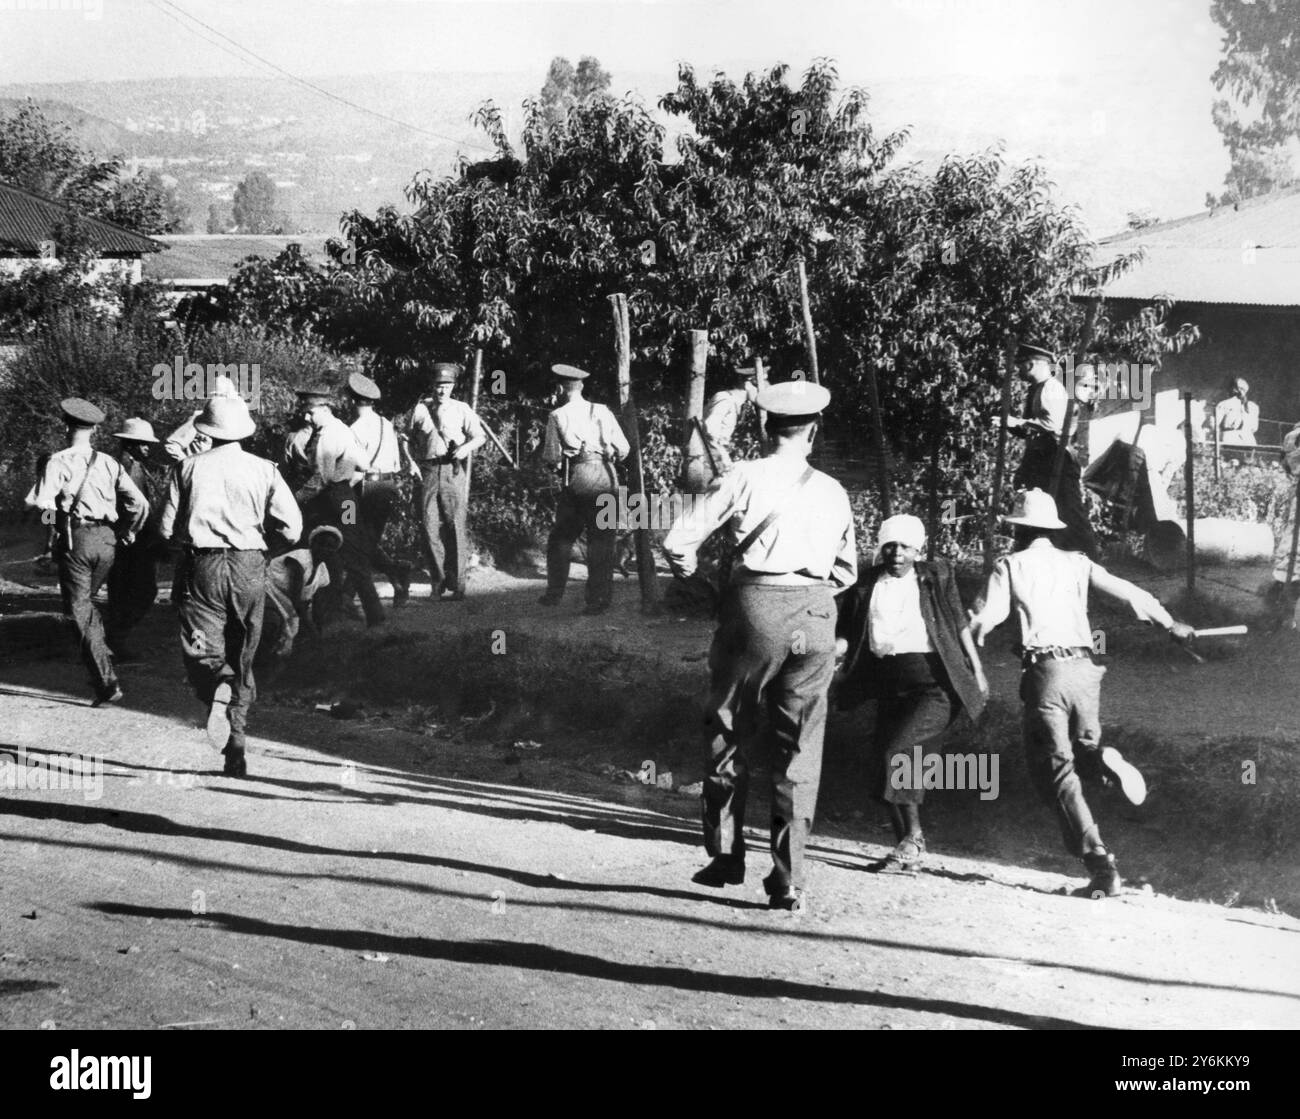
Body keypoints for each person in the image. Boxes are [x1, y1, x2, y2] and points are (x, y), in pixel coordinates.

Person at [663, 380, 857, 913]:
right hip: (817, 614)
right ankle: (788, 879)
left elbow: (677, 541)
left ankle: (726, 857)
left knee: (728, 729)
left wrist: (704, 586)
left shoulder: (743, 476)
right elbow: (846, 572)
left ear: (765, 428)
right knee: (801, 750)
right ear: (813, 434)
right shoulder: (834, 490)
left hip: (753, 610)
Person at [968, 488, 1194, 898]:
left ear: (1017, 529)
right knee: (1081, 754)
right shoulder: (1077, 562)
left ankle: (1100, 865)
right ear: (1050, 529)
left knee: (1054, 775)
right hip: (1086, 671)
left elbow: (994, 613)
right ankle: (1102, 761)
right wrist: (1169, 621)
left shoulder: (1010, 565)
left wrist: (978, 625)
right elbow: (1128, 591)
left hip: (1047, 673)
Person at [835, 513, 988, 872]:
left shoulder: (935, 577)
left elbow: (959, 624)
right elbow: (847, 634)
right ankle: (909, 845)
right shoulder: (865, 584)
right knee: (887, 759)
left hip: (935, 687)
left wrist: (978, 670)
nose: (897, 553)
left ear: (917, 549)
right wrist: (827, 651)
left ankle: (913, 838)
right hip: (889, 686)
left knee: (899, 753)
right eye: (890, 545)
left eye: (905, 546)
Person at [159, 394, 302, 778]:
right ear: (244, 432)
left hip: (202, 564)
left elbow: (165, 527)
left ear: (206, 430)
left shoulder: (187, 468)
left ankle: (214, 684)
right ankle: (235, 742)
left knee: (200, 644)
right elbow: (293, 526)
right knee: (243, 652)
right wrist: (264, 551)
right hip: (250, 564)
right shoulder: (265, 469)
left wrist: (184, 547)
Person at [24, 399, 150, 706]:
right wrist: (129, 531)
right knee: (86, 605)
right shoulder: (109, 462)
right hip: (107, 542)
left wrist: (55, 527)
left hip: (76, 539)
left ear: (66, 426)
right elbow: (140, 504)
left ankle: (106, 682)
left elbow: (39, 504)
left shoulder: (58, 461)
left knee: (78, 610)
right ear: (94, 429)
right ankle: (101, 653)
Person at [539, 363, 631, 615]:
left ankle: (554, 593)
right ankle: (598, 601)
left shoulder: (557, 415)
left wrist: (558, 466)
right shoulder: (602, 410)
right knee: (603, 540)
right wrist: (610, 452)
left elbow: (551, 455)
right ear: (581, 387)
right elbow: (624, 448)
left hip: (578, 477)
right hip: (606, 477)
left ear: (560, 387)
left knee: (562, 537)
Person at [294, 385, 383, 627]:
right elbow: (364, 463)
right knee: (354, 553)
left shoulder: (326, 435)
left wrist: (294, 500)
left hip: (331, 499)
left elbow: (320, 479)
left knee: (326, 553)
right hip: (346, 498)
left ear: (324, 409)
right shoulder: (342, 429)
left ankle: (330, 618)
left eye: (310, 412)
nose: (306, 417)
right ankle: (370, 616)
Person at [1005, 342, 1099, 559]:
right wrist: (1010, 424)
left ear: (1031, 364)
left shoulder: (1051, 388)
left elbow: (1053, 426)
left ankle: (1092, 565)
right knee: (1037, 513)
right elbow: (1033, 430)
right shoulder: (1037, 389)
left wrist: (1018, 422)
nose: (1018, 371)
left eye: (1020, 366)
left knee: (1070, 513)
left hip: (1058, 460)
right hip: (1041, 461)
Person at [401, 362, 486, 601]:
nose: (442, 391)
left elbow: (479, 436)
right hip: (427, 471)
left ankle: (458, 585)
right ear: (432, 386)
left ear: (453, 387)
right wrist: (411, 463)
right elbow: (405, 439)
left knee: (455, 526)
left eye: (447, 386)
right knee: (429, 528)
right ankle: (437, 583)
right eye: (438, 386)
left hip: (452, 471)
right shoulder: (420, 409)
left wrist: (465, 449)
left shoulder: (461, 409)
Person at [105, 418, 170, 662]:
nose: (147, 449)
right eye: (143, 444)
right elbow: (135, 505)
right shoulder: (128, 467)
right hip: (132, 539)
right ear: (130, 444)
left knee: (124, 591)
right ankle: (116, 639)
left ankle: (115, 639)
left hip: (129, 537)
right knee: (140, 591)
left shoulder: (130, 464)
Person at [347, 369, 412, 607]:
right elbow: (396, 462)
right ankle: (397, 574)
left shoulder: (354, 429)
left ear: (352, 400)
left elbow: (355, 469)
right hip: (387, 486)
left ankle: (347, 596)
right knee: (367, 541)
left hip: (365, 489)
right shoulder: (386, 424)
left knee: (357, 541)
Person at [258, 525, 341, 671]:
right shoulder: (299, 559)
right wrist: (312, 629)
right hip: (268, 593)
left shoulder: (322, 572)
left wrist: (318, 631)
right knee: (271, 624)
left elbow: (317, 604)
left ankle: (276, 667)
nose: (326, 549)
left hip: (288, 606)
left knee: (289, 643)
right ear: (313, 544)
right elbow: (296, 598)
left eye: (331, 547)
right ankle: (258, 664)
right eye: (322, 544)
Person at [682, 364, 759, 491]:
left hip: (713, 459)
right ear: (747, 385)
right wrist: (724, 463)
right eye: (757, 387)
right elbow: (708, 432)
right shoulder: (725, 399)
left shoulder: (739, 404)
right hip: (705, 461)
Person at [1215, 377, 1260, 446]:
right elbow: (1254, 428)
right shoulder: (1254, 407)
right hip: (1247, 440)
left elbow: (1215, 425)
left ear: (1233, 389)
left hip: (1232, 439)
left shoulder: (1224, 404)